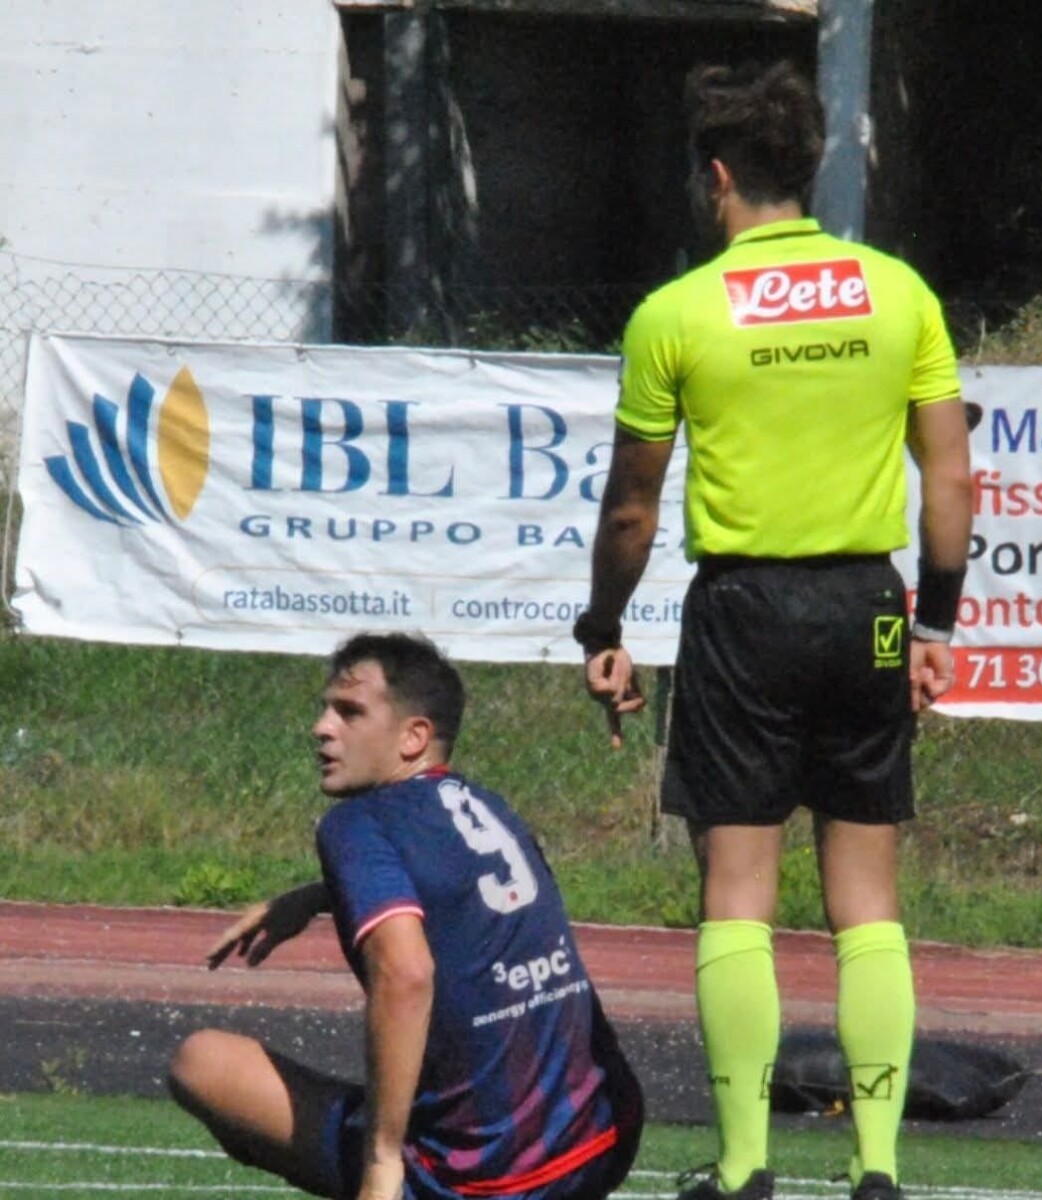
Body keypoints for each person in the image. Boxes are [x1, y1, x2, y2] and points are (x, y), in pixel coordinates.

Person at [572, 60, 973, 1200]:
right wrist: (932, 620)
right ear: (809, 169)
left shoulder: (677, 312)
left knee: (736, 895)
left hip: (743, 612)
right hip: (866, 607)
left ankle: (745, 1166)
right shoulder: (896, 292)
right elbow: (947, 477)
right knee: (867, 900)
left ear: (715, 177)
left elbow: (633, 507)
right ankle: (879, 1165)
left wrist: (601, 622)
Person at [168, 631, 643, 1200]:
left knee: (201, 1062)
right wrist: (317, 896)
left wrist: (382, 1160)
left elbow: (406, 973)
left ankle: (396, 1166)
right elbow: (464, 889)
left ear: (414, 736)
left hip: (486, 1178)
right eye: (326, 709)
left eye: (349, 712)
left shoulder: (356, 824)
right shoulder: (491, 807)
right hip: (602, 1140)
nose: (322, 727)